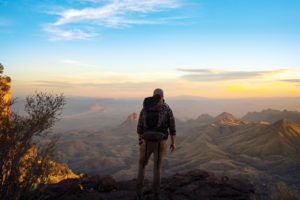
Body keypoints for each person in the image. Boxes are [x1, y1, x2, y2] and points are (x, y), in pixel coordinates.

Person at [136, 88, 176, 200]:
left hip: (146, 142)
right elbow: (172, 127)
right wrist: (173, 143)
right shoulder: (166, 108)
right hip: (160, 142)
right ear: (163, 96)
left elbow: (139, 126)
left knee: (142, 165)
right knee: (157, 168)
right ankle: (156, 194)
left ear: (153, 95)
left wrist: (139, 139)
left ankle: (139, 193)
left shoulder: (145, 107)